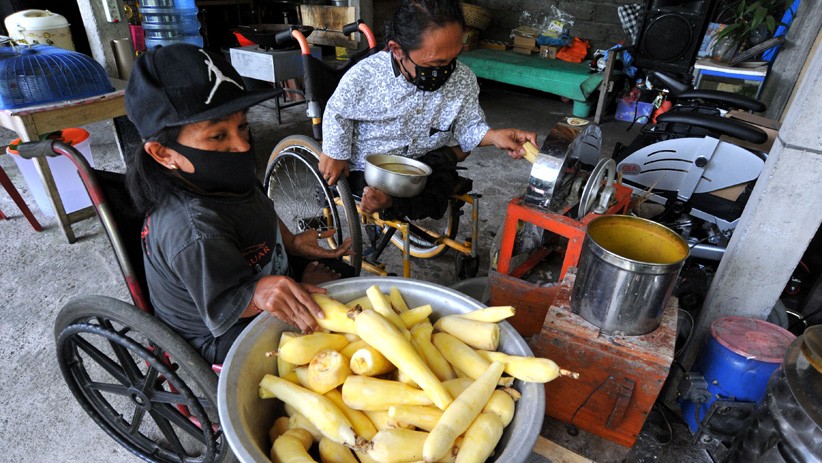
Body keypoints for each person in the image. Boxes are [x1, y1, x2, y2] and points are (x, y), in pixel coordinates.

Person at [124, 44, 352, 364]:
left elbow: (260, 208)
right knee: (315, 349)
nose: (242, 144)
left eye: (243, 125)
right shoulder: (194, 230)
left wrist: (292, 243)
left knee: (352, 287)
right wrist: (293, 290)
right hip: (219, 331)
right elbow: (227, 307)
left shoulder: (222, 172)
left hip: (262, 278)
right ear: (164, 153)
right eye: (218, 136)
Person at [319, 0, 538, 220]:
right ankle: (390, 201)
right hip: (375, 167)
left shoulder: (462, 78)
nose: (447, 71)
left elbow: (467, 124)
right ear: (397, 50)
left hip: (423, 163)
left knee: (440, 188)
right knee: (364, 184)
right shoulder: (365, 77)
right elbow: (338, 111)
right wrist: (335, 153)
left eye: (454, 58)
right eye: (435, 64)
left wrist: (493, 136)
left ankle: (393, 203)